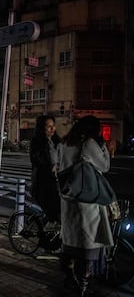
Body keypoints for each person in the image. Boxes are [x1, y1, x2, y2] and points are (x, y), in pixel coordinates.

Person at [59, 115, 114, 296]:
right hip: (86, 200)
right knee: (86, 246)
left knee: (71, 244)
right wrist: (105, 147)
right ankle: (81, 286)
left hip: (68, 198)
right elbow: (104, 166)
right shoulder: (89, 144)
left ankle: (70, 279)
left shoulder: (65, 143)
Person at [30, 115, 62, 223]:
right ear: (42, 128)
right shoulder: (37, 142)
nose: (52, 129)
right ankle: (45, 237)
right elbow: (36, 160)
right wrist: (50, 168)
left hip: (57, 181)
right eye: (49, 126)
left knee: (60, 211)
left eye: (53, 126)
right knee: (52, 212)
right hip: (43, 182)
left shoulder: (57, 142)